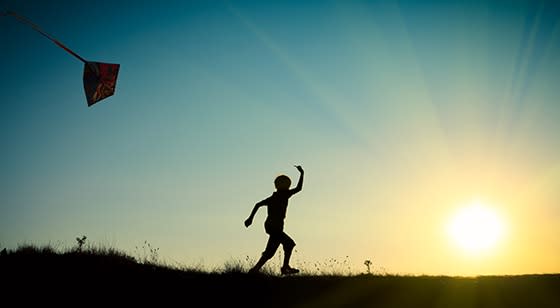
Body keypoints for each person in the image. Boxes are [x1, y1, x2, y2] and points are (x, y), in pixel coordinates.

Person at [244, 165, 304, 275]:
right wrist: (302, 173)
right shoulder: (284, 195)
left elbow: (257, 204)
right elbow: (299, 188)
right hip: (275, 227)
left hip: (271, 226)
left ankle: (254, 270)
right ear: (285, 186)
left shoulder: (273, 197)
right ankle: (285, 268)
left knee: (270, 252)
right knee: (289, 244)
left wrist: (250, 218)